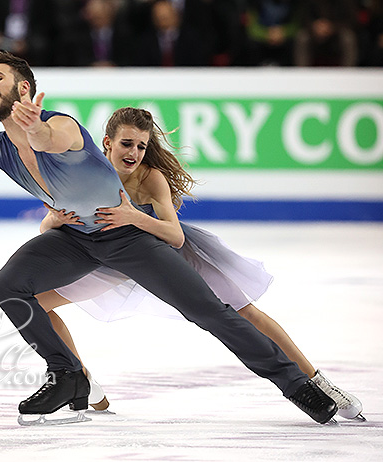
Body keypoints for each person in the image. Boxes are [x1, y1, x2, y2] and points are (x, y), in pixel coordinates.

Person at [0, 50, 337, 425]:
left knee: (212, 313)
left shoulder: (60, 126)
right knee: (9, 284)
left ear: (25, 88)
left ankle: (297, 386)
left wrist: (33, 125)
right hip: (76, 240)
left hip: (129, 238)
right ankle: (68, 376)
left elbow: (46, 137)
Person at [35, 106, 363, 420]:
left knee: (243, 312)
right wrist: (55, 219)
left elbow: (174, 236)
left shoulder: (150, 178)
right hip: (112, 261)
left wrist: (133, 217)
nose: (134, 152)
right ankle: (81, 378)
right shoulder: (82, 174)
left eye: (141, 145)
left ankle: (318, 383)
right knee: (35, 304)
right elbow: (48, 227)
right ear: (107, 143)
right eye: (126, 144)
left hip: (171, 253)